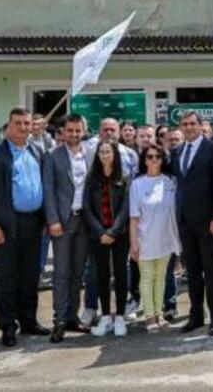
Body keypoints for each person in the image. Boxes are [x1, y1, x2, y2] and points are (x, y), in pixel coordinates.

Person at [0, 107, 48, 347]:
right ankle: (8, 326)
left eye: (27, 123)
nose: (24, 128)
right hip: (6, 224)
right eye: (18, 123)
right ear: (8, 125)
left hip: (33, 222)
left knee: (30, 276)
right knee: (6, 278)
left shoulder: (37, 150)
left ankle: (28, 321)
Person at [172, 110, 213, 335]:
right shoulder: (176, 151)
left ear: (200, 125)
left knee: (211, 270)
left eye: (193, 124)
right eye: (185, 124)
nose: (189, 127)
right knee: (192, 271)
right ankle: (196, 316)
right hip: (185, 222)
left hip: (207, 222)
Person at [42, 114, 91, 342]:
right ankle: (59, 320)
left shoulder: (91, 154)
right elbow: (48, 191)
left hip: (85, 222)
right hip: (62, 221)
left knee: (77, 272)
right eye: (70, 130)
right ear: (62, 132)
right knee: (61, 273)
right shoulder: (53, 156)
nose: (74, 134)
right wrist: (52, 220)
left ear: (83, 131)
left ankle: (72, 316)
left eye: (77, 130)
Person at [130, 143, 180, 332]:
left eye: (157, 156)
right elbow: (133, 218)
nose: (154, 160)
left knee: (161, 278)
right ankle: (149, 316)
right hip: (145, 239)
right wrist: (134, 244)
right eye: (149, 157)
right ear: (144, 160)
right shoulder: (137, 184)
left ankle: (159, 313)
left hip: (166, 238)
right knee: (147, 278)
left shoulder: (169, 182)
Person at [83, 141, 130, 338]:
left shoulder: (124, 178)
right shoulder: (92, 178)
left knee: (120, 274)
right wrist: (101, 232)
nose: (104, 155)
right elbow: (87, 208)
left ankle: (119, 316)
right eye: (101, 152)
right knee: (101, 275)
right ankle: (105, 317)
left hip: (119, 235)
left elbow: (126, 208)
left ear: (115, 154)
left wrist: (113, 232)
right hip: (97, 236)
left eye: (108, 152)